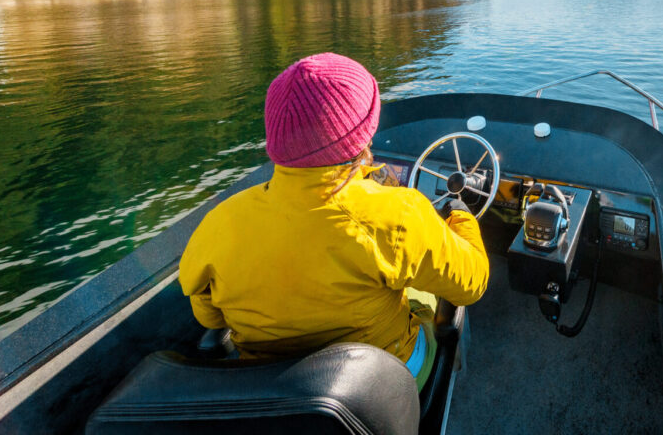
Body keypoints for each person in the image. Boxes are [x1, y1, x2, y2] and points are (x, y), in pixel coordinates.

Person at [179, 53, 489, 390]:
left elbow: (208, 316)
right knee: (431, 295)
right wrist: (461, 214)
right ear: (362, 137)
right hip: (381, 384)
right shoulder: (401, 213)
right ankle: (452, 382)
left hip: (265, 386)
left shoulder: (218, 223)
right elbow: (472, 284)